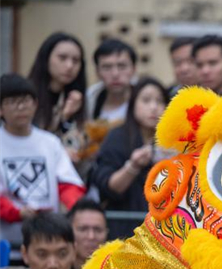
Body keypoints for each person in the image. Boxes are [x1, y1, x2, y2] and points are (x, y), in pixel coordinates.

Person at [0, 74, 85, 246]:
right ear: (1, 109)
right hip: (7, 243)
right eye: (12, 102)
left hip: (47, 242)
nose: (21, 107)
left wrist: (72, 205)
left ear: (35, 104)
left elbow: (69, 183)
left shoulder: (50, 142)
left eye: (26, 100)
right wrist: (16, 212)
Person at [90, 77, 169, 239]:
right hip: (124, 228)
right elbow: (108, 187)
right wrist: (132, 166)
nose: (153, 107)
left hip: (165, 229)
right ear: (133, 104)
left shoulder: (173, 141)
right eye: (146, 100)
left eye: (159, 101)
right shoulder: (117, 137)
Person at [27, 32, 87, 164]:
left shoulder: (77, 97)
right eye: (62, 58)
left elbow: (78, 149)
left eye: (75, 61)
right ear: (46, 58)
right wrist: (63, 116)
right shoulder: (26, 95)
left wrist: (67, 119)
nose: (69, 66)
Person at [0, 212, 80, 269]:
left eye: (62, 254)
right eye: (42, 254)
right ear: (25, 254)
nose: (52, 265)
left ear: (74, 252)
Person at [86, 39, 137, 125]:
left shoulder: (146, 101)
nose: (115, 74)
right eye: (107, 67)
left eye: (122, 66)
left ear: (133, 69)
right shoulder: (89, 100)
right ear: (97, 72)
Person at [67, 197, 107, 269]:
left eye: (98, 230)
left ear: (106, 233)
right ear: (69, 231)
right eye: (83, 229)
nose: (91, 236)